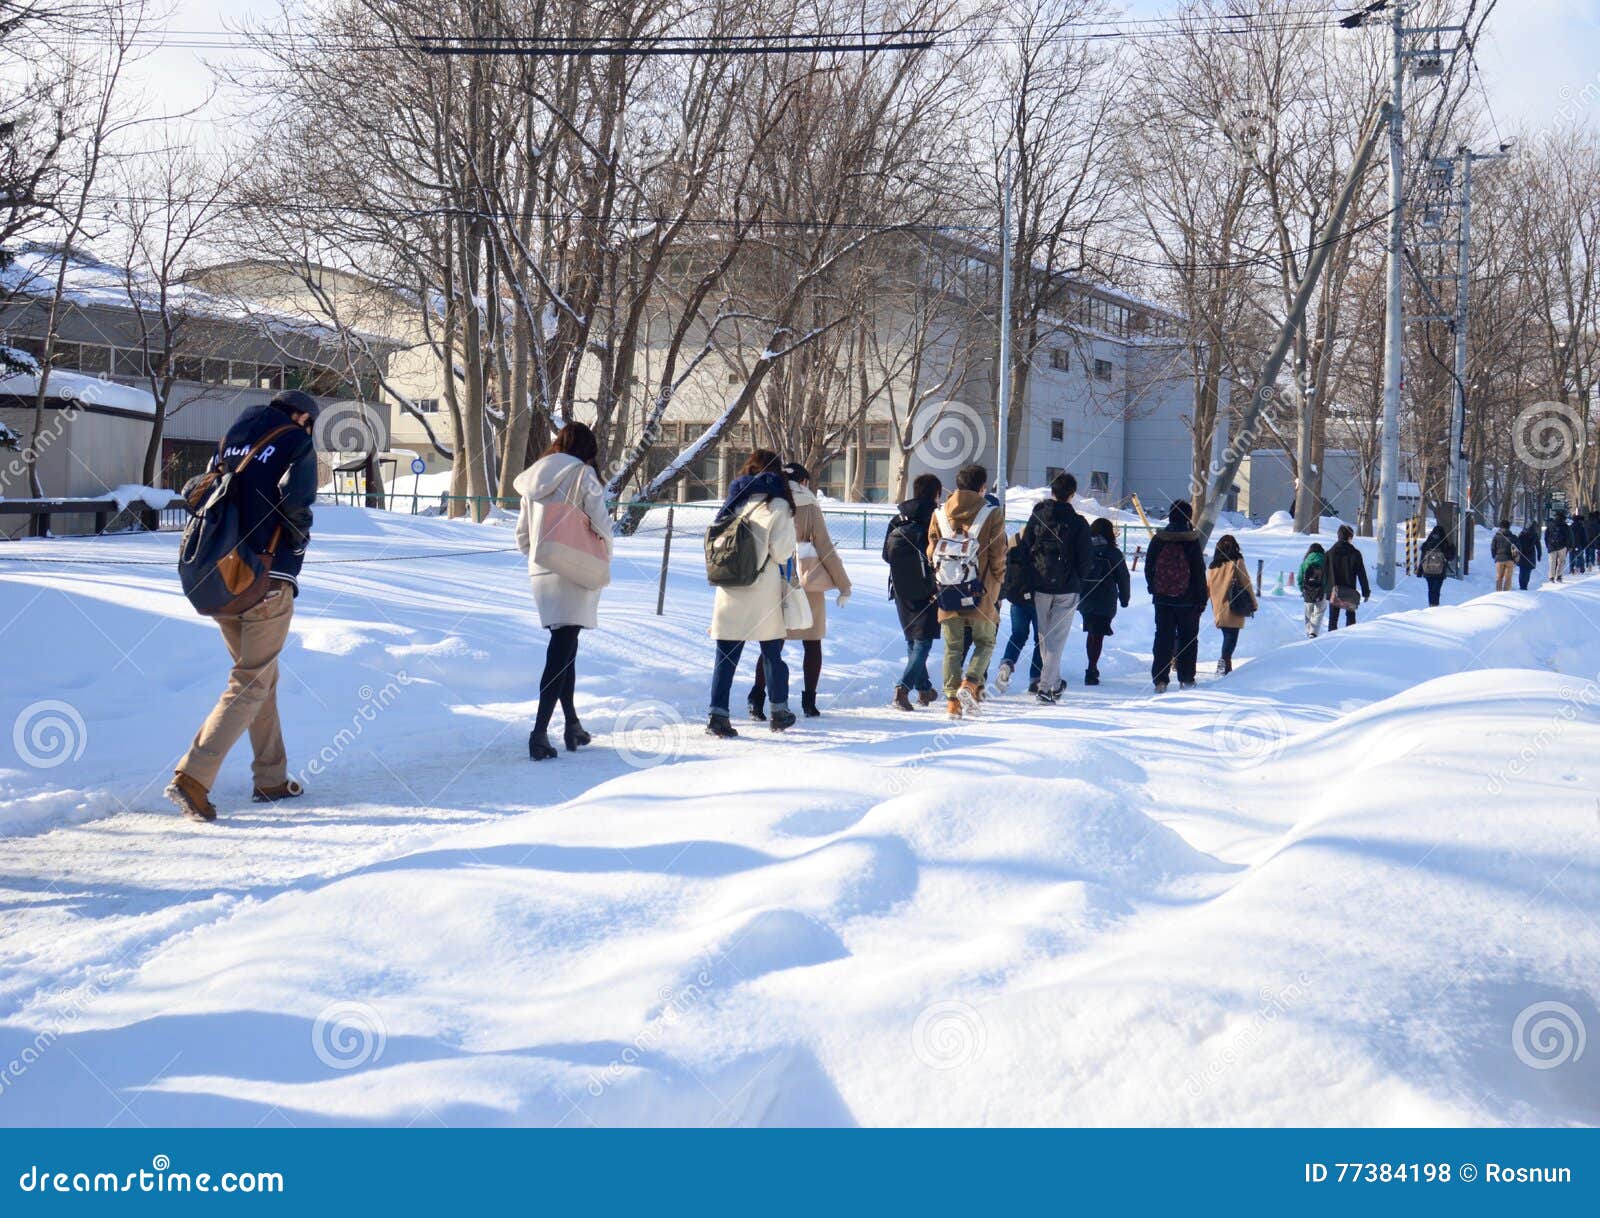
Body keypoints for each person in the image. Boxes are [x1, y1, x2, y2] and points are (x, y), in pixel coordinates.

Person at [166, 390, 319, 822]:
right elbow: (297, 503)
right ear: (303, 417)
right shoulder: (296, 440)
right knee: (251, 682)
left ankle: (271, 778)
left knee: (259, 678)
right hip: (267, 579)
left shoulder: (231, 437)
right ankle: (193, 777)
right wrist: (299, 541)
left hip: (222, 578)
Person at [514, 421, 614, 761]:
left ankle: (572, 725)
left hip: (542, 570)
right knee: (561, 650)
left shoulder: (533, 478)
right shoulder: (582, 475)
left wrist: (544, 555)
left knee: (565, 645)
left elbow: (522, 537)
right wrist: (601, 553)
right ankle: (539, 732)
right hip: (575, 568)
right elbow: (602, 523)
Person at [707, 450, 798, 738]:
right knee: (772, 652)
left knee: (725, 657)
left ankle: (717, 716)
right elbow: (782, 552)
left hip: (730, 585)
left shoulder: (736, 499)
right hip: (763, 588)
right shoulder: (779, 504)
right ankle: (779, 712)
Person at [749, 462, 849, 719]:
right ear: (804, 482)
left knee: (772, 644)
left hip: (773, 580)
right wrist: (843, 585)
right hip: (806, 581)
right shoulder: (808, 504)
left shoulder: (768, 502)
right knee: (812, 642)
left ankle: (757, 697)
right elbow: (824, 546)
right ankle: (809, 701)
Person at [926, 463, 1007, 717]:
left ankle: (952, 702)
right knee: (985, 641)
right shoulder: (992, 514)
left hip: (948, 589)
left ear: (958, 485)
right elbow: (998, 555)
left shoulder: (939, 514)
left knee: (952, 648)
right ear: (982, 488)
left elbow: (930, 551)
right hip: (980, 591)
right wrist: (999, 580)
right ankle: (970, 683)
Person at [1018, 471, 1090, 703]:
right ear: (1071, 494)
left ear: (1052, 492)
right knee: (1056, 639)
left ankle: (1055, 682)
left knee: (1044, 637)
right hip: (1067, 587)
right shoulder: (1078, 522)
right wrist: (1079, 579)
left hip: (1039, 584)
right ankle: (1045, 688)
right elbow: (1086, 558)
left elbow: (1024, 547)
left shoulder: (1038, 517)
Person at [882, 473, 943, 711]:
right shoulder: (937, 518)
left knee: (912, 639)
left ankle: (925, 689)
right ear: (936, 494)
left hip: (899, 587)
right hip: (929, 587)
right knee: (924, 641)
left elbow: (886, 555)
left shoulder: (898, 518)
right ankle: (903, 688)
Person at [1144, 500, 1207, 691]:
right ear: (1188, 517)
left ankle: (1160, 680)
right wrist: (1201, 599)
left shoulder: (1159, 539)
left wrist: (1154, 588)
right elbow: (1198, 572)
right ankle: (1186, 678)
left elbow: (1149, 567)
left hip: (1162, 599)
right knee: (1188, 638)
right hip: (1187, 601)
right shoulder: (1192, 540)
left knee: (1163, 637)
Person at [1078, 517, 1129, 686]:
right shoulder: (1113, 553)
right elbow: (1123, 577)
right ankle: (1092, 668)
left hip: (1085, 597)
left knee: (1092, 633)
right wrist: (1124, 598)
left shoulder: (1084, 549)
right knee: (1097, 635)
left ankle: (1091, 666)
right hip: (1105, 599)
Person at [996, 530, 1043, 694]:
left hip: (1017, 597)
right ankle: (1036, 679)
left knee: (1018, 635)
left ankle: (1007, 663)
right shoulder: (1044, 538)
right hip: (1039, 597)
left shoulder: (1014, 538)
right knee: (1040, 639)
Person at [1206, 534, 1256, 675]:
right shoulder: (1237, 562)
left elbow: (1208, 587)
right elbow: (1246, 583)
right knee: (1231, 636)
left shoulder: (1213, 566)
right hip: (1234, 604)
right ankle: (1224, 661)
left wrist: (1201, 603)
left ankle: (1226, 665)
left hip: (1218, 607)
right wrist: (1253, 603)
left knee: (1227, 634)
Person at [1324, 524, 1371, 631]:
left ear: (1338, 536)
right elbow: (1362, 574)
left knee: (1333, 619)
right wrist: (1366, 592)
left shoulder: (1329, 553)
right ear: (1350, 537)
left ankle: (1330, 640)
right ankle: (1349, 639)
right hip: (1350, 591)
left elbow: (1324, 574)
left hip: (1334, 591)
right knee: (1350, 617)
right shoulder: (1355, 553)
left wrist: (1325, 591)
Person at [1419, 523, 1455, 605]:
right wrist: (1452, 547)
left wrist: (1419, 572)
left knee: (1430, 589)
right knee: (1437, 589)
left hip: (1428, 571)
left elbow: (1422, 558)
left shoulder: (1427, 544)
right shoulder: (1444, 544)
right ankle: (1435, 604)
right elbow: (1450, 557)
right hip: (1440, 571)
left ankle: (1431, 604)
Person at [1299, 542, 1329, 638]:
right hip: (1321, 590)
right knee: (1319, 612)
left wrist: (1302, 589)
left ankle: (1308, 631)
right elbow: (1329, 576)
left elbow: (1299, 576)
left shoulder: (1306, 561)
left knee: (1308, 612)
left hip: (1307, 590)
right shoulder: (1325, 560)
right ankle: (1313, 633)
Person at [1491, 520, 1517, 592]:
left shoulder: (1496, 537)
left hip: (1499, 559)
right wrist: (1516, 559)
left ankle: (1498, 592)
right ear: (1509, 527)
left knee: (1499, 577)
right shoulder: (1513, 537)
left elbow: (1493, 548)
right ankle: (1506, 593)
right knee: (1508, 578)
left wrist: (1495, 556)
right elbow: (1518, 548)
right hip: (1510, 559)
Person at [1515, 519, 1541, 590]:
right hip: (1530, 555)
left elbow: (1517, 544)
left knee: (1522, 570)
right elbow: (1538, 545)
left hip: (1522, 555)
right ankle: (1525, 585)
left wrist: (1516, 555)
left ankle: (1521, 585)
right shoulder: (1535, 535)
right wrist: (1539, 554)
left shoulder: (1522, 533)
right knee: (1527, 571)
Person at [1569, 510, 1588, 576]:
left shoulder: (1571, 526)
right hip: (1579, 544)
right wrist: (1585, 545)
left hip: (1571, 545)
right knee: (1580, 557)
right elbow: (1584, 536)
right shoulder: (1581, 527)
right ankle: (1581, 568)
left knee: (1571, 557)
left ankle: (1571, 569)